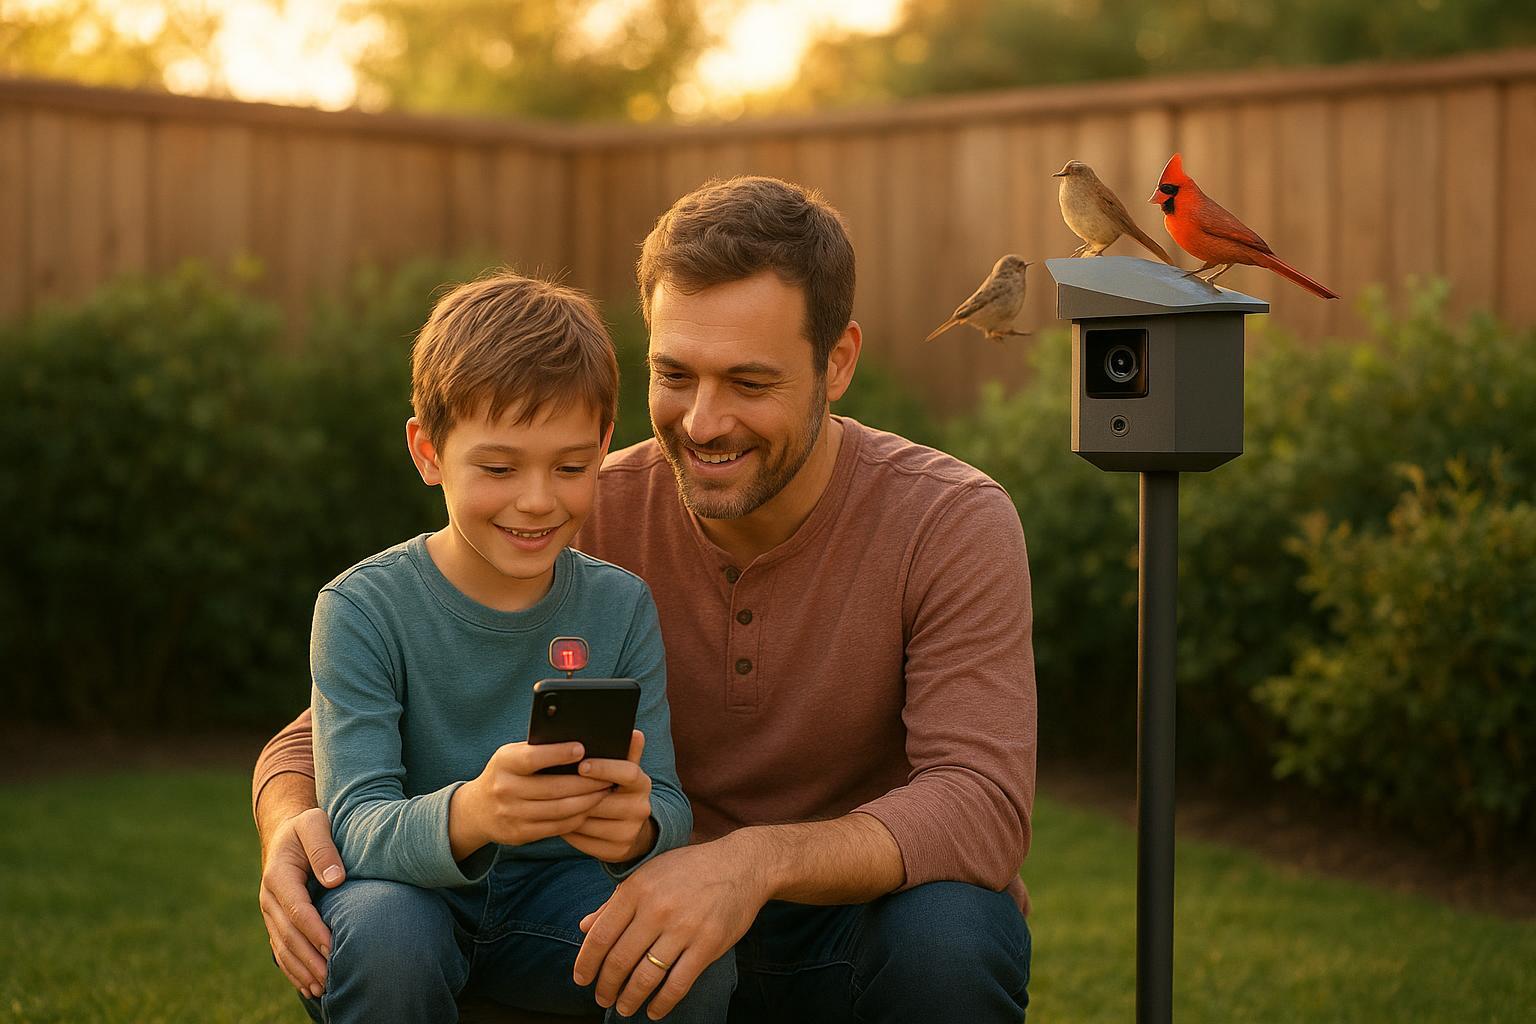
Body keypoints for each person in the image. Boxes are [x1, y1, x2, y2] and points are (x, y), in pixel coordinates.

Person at [255, 176, 1037, 1022]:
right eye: (676, 373)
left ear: (836, 362)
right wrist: (291, 826)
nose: (703, 422)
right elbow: (333, 724)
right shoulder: (580, 506)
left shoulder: (949, 520)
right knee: (387, 928)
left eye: (749, 382)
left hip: (839, 928)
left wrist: (748, 863)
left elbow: (981, 800)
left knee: (960, 927)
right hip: (628, 922)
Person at [290, 272, 734, 1023]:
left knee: (682, 954)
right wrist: (475, 812)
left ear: (602, 446)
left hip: (561, 898)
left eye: (569, 467)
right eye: (498, 469)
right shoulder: (362, 607)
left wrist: (640, 830)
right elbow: (356, 824)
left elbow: (664, 799)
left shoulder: (619, 604)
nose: (536, 500)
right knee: (384, 935)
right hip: (409, 895)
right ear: (428, 452)